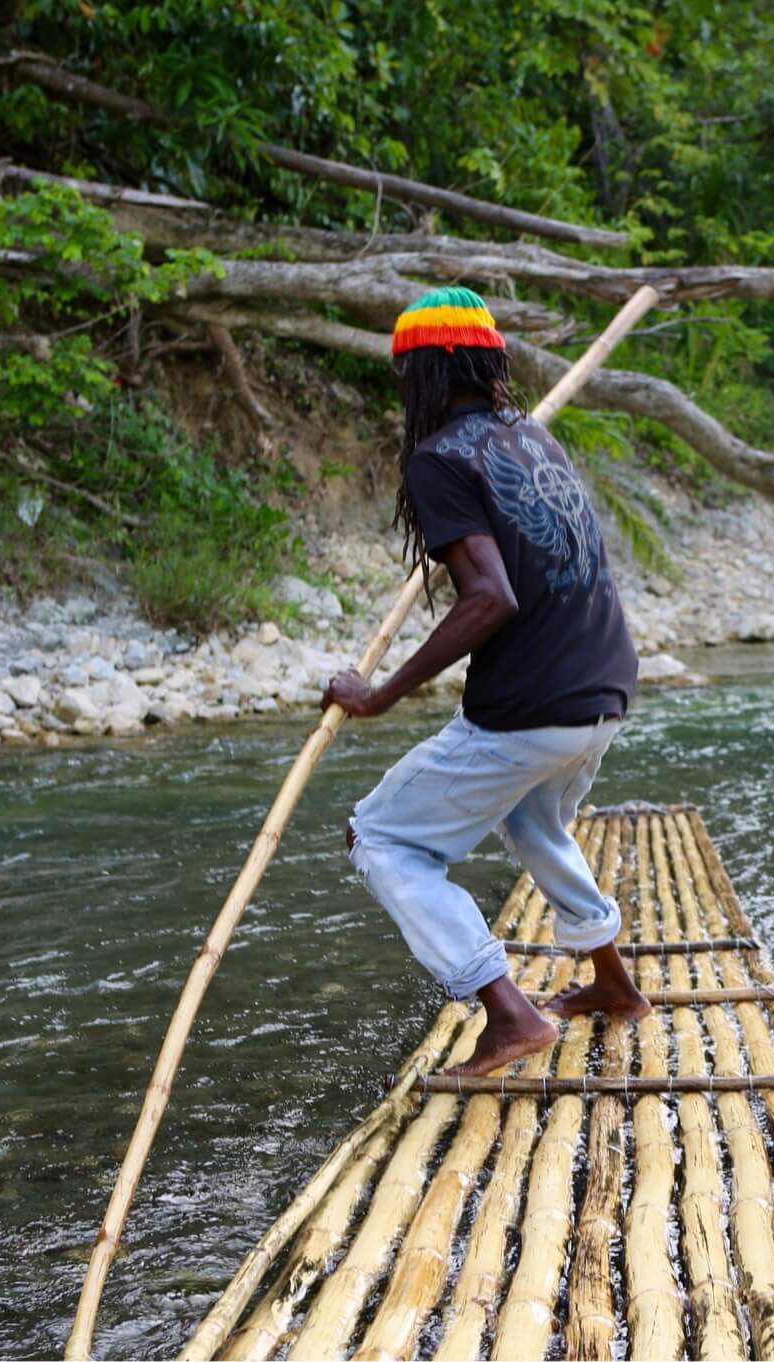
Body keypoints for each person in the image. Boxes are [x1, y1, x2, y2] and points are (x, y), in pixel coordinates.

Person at [325, 286, 650, 1078]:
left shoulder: (439, 459)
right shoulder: (532, 435)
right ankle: (614, 986)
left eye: (405, 377)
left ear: (426, 373)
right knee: (534, 823)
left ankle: (509, 1016)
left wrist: (378, 695)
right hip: (604, 689)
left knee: (382, 838)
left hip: (532, 708)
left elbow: (492, 597)